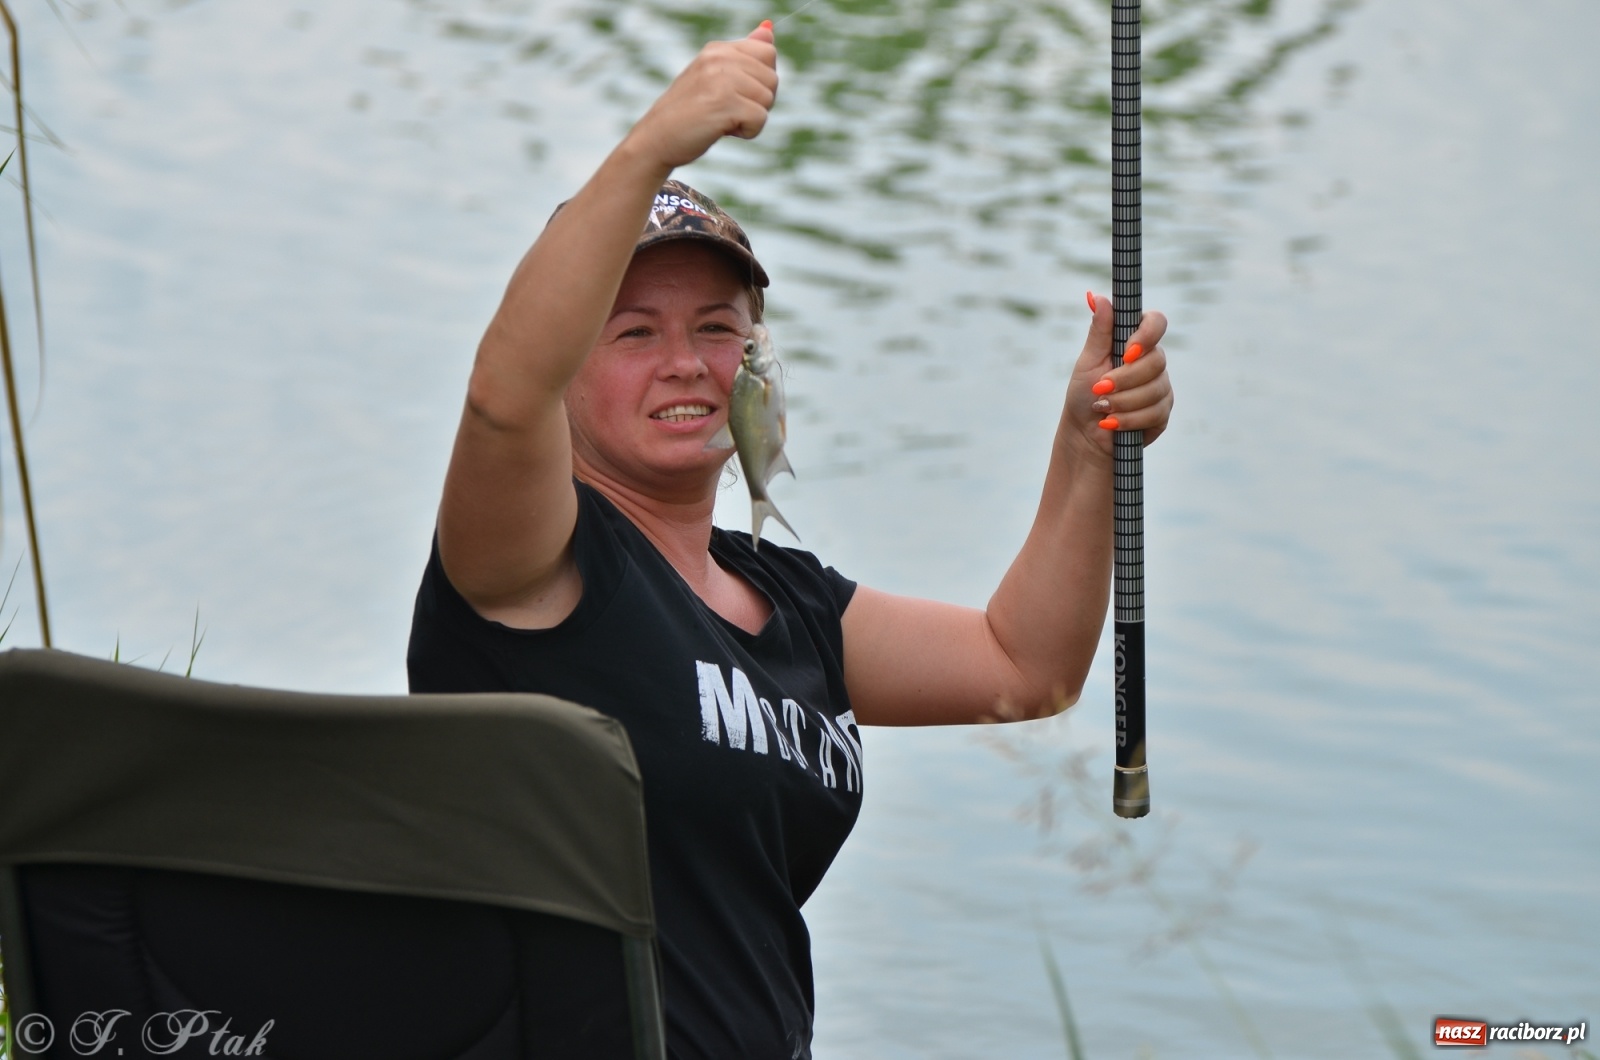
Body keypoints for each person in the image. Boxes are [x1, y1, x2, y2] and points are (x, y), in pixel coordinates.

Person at [407, 19, 1173, 1060]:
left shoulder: (794, 601)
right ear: (570, 369)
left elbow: (1022, 667)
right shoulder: (536, 563)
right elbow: (504, 400)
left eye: (716, 328)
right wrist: (648, 151)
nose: (684, 361)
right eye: (632, 332)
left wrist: (1086, 443)